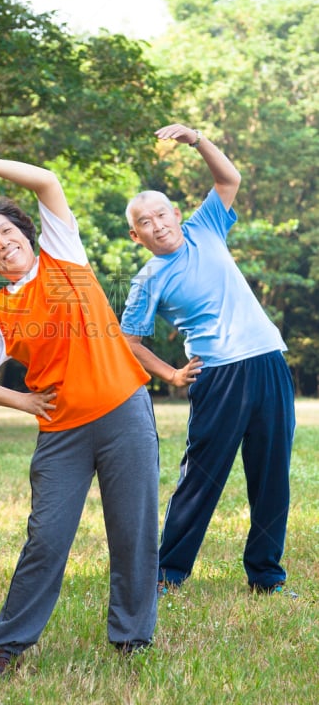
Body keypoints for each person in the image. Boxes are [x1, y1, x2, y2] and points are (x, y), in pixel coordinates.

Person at [0, 155, 159, 677]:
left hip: (125, 412)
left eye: (7, 231)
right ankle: (8, 646)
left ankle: (132, 639)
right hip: (63, 433)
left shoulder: (63, 253)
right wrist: (25, 401)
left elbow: (48, 180)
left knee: (134, 530)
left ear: (26, 234)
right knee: (48, 536)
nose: (3, 242)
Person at [120, 122, 296, 598]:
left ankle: (266, 576)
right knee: (201, 478)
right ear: (136, 236)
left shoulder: (205, 228)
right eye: (146, 223)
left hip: (268, 362)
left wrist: (197, 140)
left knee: (271, 475)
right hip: (218, 376)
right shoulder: (147, 280)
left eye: (162, 214)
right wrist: (173, 374)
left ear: (176, 214)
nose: (158, 225)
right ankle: (166, 573)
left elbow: (228, 179)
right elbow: (129, 341)